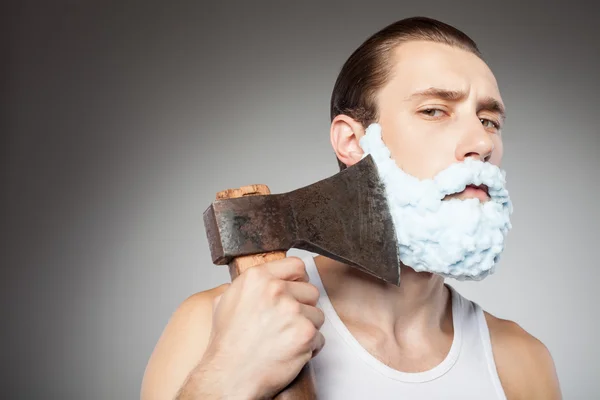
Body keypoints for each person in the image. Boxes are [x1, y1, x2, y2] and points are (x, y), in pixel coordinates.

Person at [141, 17, 562, 399]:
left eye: (489, 120)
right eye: (434, 110)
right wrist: (224, 379)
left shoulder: (521, 363)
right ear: (352, 143)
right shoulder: (214, 327)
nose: (483, 143)